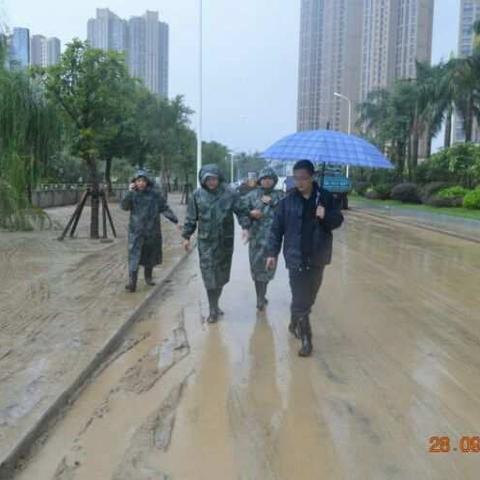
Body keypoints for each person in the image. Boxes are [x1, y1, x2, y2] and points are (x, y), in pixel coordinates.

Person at [266, 160, 344, 357]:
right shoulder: (287, 201)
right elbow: (276, 230)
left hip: (318, 256)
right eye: (296, 178)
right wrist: (271, 253)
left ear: (312, 177)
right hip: (295, 257)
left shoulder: (324, 197)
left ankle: (295, 321)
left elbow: (337, 221)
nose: (299, 182)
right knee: (301, 298)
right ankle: (306, 338)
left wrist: (326, 215)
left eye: (303, 178)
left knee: (309, 297)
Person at [182, 164, 248, 323]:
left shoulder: (230, 194)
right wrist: (186, 236)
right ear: (203, 180)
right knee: (209, 274)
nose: (212, 182)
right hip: (206, 242)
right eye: (208, 179)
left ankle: (215, 303)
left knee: (221, 276)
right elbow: (191, 218)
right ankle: (212, 309)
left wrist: (246, 227)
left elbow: (241, 210)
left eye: (214, 178)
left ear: (219, 178)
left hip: (225, 241)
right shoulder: (197, 196)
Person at [121, 169, 180, 292]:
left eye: (143, 181)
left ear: (147, 182)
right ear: (134, 182)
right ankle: (132, 282)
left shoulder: (155, 195)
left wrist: (175, 221)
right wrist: (129, 192)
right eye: (138, 181)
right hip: (136, 230)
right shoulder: (132, 194)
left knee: (150, 254)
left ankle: (148, 277)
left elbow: (164, 208)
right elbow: (124, 207)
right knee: (134, 256)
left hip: (152, 229)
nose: (141, 183)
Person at [241, 167, 284, 310]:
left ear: (274, 180)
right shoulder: (252, 195)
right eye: (264, 178)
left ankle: (262, 294)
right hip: (256, 240)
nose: (266, 181)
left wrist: (273, 203)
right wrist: (249, 215)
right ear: (260, 180)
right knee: (257, 268)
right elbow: (240, 210)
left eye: (269, 178)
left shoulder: (280, 196)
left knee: (268, 270)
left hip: (273, 241)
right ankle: (260, 298)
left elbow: (287, 213)